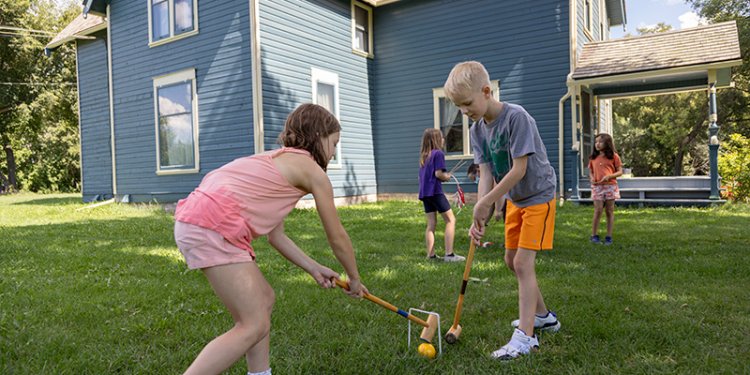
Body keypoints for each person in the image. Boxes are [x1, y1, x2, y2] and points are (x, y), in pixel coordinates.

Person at [173, 103, 368, 375]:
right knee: (253, 325)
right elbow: (336, 237)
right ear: (319, 136)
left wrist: (313, 267)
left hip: (201, 218)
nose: (334, 152)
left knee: (264, 299)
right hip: (214, 224)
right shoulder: (314, 173)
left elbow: (276, 236)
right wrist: (354, 277)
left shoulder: (277, 162)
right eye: (334, 143)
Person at [444, 61, 560, 360]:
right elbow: (485, 173)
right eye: (459, 106)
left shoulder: (516, 118)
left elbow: (520, 169)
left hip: (538, 195)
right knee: (511, 259)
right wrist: (481, 210)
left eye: (467, 103)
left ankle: (525, 338)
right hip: (517, 200)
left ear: (487, 91)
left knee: (522, 263)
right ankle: (544, 316)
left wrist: (488, 202)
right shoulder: (477, 130)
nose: (465, 110)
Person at [418, 128, 465, 262]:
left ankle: (431, 255)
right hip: (435, 192)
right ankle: (449, 255)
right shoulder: (438, 154)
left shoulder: (424, 156)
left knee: (431, 224)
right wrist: (446, 177)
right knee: (451, 220)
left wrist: (444, 176)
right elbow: (438, 174)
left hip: (425, 194)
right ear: (436, 140)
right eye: (442, 137)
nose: (444, 139)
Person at [588, 133, 623, 245]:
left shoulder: (614, 156)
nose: (597, 144)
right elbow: (591, 171)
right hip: (597, 187)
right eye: (596, 142)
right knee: (598, 210)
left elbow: (620, 171)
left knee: (609, 211)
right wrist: (592, 178)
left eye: (600, 142)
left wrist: (609, 176)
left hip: (610, 186)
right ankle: (594, 235)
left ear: (607, 143)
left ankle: (609, 236)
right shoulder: (593, 157)